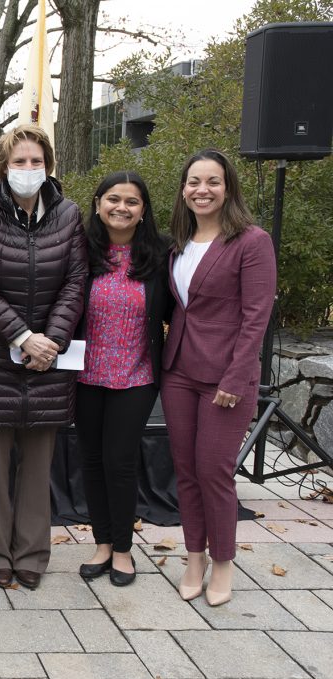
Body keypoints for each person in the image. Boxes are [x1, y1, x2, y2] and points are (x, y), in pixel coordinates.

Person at [0, 124, 86, 591]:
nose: (28, 170)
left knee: (38, 464)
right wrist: (20, 335)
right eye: (19, 162)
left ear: (47, 165)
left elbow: (76, 282)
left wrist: (49, 340)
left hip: (50, 359)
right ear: (2, 167)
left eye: (36, 161)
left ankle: (32, 552)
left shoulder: (69, 215)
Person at [161, 149, 276, 607]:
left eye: (212, 181)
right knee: (186, 472)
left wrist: (236, 376)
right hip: (179, 373)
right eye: (194, 181)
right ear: (184, 189)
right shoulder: (179, 243)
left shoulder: (251, 241)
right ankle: (194, 557)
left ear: (228, 188)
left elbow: (256, 317)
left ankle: (223, 563)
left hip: (226, 378)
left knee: (215, 472)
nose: (202, 190)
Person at [74, 171, 172, 587]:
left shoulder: (162, 255)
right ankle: (101, 542)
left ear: (143, 210)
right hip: (84, 375)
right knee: (92, 461)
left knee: (120, 461)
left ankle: (123, 549)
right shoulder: (80, 252)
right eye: (113, 199)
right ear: (97, 204)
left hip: (137, 376)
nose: (122, 207)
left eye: (132, 201)